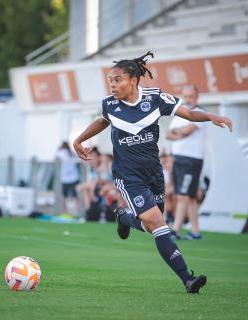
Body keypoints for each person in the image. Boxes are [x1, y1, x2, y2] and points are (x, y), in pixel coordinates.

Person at [72, 51, 232, 294]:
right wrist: (78, 140)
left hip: (154, 174)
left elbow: (187, 113)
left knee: (150, 227)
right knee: (158, 222)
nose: (112, 85)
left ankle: (124, 218)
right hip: (128, 176)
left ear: (134, 80)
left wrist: (211, 116)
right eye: (110, 81)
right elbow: (103, 120)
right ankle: (188, 280)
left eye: (117, 80)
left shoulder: (156, 98)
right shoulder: (110, 104)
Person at [166, 85, 207, 240]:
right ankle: (195, 231)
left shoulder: (200, 113)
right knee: (188, 197)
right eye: (185, 96)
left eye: (190, 96)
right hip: (178, 158)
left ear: (197, 96)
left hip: (192, 160)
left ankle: (175, 230)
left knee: (183, 196)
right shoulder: (180, 113)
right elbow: (168, 134)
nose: (188, 99)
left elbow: (187, 130)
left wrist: (178, 132)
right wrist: (179, 133)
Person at [56, 142, 80, 214]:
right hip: (74, 177)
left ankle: (64, 212)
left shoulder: (60, 153)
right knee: (74, 196)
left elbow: (54, 159)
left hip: (64, 178)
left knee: (64, 196)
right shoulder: (72, 153)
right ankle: (76, 211)